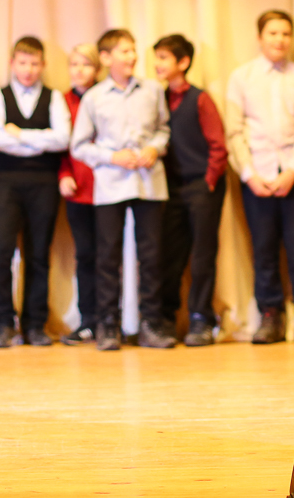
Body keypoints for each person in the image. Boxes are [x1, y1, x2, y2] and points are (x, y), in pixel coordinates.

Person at [225, 10, 294, 345]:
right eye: (273, 33)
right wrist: (249, 174)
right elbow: (234, 132)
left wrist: (293, 170)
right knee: (264, 248)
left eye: (285, 33)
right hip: (258, 177)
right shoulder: (241, 77)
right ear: (260, 37)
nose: (280, 39)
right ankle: (270, 316)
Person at [70, 29, 171, 351]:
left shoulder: (152, 90)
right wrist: (111, 157)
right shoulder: (94, 97)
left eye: (133, 50)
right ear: (106, 58)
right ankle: (108, 325)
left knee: (151, 256)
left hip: (149, 181)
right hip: (110, 184)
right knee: (107, 257)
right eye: (124, 51)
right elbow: (79, 145)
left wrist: (154, 148)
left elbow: (163, 130)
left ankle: (150, 324)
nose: (132, 56)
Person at [0, 37, 71, 348]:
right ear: (12, 64)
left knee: (38, 254)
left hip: (44, 182)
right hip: (7, 181)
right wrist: (40, 140)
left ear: (43, 65)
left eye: (34, 63)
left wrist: (19, 134)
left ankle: (35, 325)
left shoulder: (54, 97)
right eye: (23, 63)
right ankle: (3, 323)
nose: (28, 70)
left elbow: (62, 139)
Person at [153, 34, 228, 347]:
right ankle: (166, 320)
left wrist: (208, 181)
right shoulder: (157, 98)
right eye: (156, 57)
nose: (157, 64)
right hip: (170, 189)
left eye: (164, 58)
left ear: (183, 63)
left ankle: (201, 319)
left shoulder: (200, 99)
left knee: (202, 255)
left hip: (201, 186)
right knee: (169, 255)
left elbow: (218, 146)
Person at [58, 43, 100, 346]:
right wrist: (64, 174)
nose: (79, 70)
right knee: (85, 255)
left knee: (111, 258)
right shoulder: (61, 101)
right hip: (78, 191)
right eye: (74, 64)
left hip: (110, 189)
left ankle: (115, 319)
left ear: (97, 69)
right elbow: (60, 144)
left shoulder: (106, 96)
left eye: (86, 64)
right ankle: (89, 321)